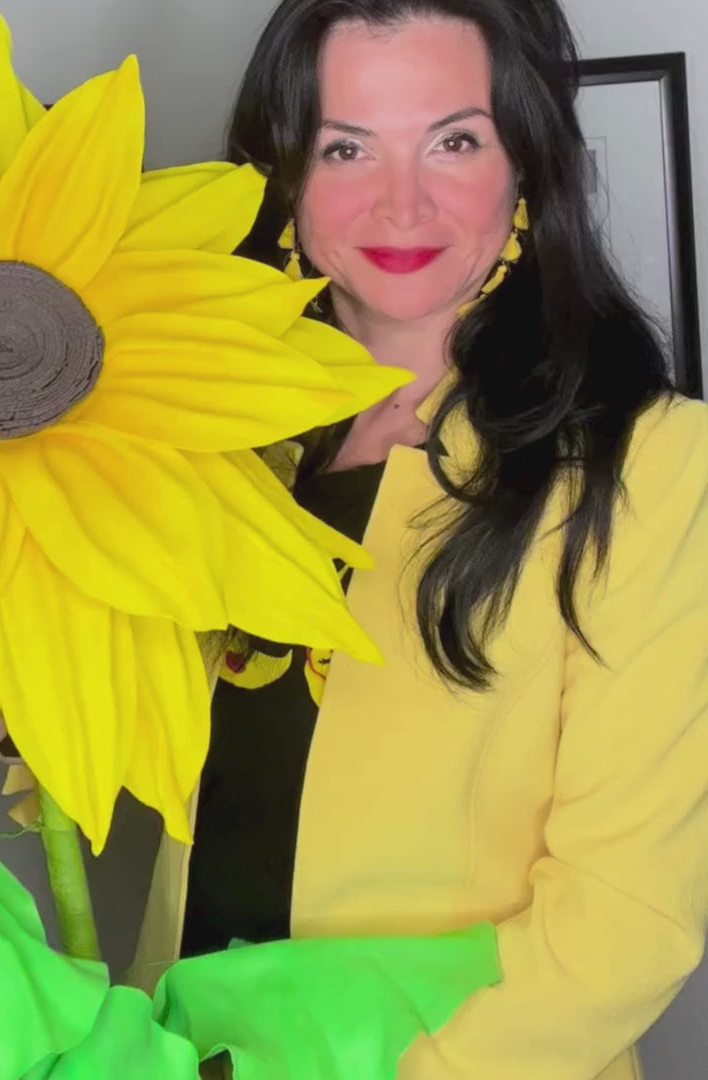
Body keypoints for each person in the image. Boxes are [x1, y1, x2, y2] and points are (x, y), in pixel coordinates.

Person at [128, 2, 708, 1078]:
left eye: (454, 140)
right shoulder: (206, 439)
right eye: (346, 147)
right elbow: (141, 744)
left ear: (525, 168)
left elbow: (627, 923)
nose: (402, 201)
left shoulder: (657, 465)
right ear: (284, 181)